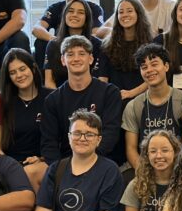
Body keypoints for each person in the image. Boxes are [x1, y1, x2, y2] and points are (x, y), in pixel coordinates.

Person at [38, 34, 124, 163]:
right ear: (63, 60)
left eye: (82, 54)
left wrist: (86, 162)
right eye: (70, 54)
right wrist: (60, 168)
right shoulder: (53, 100)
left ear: (91, 59)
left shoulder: (110, 93)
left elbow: (110, 135)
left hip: (102, 161)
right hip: (67, 163)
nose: (76, 59)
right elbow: (49, 144)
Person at [122, 44, 182, 169]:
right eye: (144, 67)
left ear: (166, 66)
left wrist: (175, 174)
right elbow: (131, 150)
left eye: (154, 64)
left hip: (178, 169)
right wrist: (146, 175)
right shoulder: (133, 106)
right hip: (145, 169)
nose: (149, 70)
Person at [0, 48, 49, 192]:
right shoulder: (1, 101)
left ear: (33, 68)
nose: (19, 75)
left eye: (22, 69)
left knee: (32, 173)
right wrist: (13, 167)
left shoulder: (51, 97)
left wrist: (42, 159)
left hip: (43, 162)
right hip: (10, 164)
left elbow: (59, 141)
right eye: (13, 72)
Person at [43, 0, 101, 87]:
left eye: (80, 12)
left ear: (87, 18)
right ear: (65, 16)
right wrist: (59, 96)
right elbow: (49, 81)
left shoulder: (97, 44)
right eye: (70, 11)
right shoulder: (53, 44)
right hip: (59, 93)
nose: (74, 15)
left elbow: (101, 80)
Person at [103, 0, 155, 97]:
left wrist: (131, 93)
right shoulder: (107, 46)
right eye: (121, 12)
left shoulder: (151, 44)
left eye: (129, 11)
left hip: (142, 98)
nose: (125, 15)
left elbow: (153, 77)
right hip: (114, 98)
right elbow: (103, 78)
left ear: (138, 14)